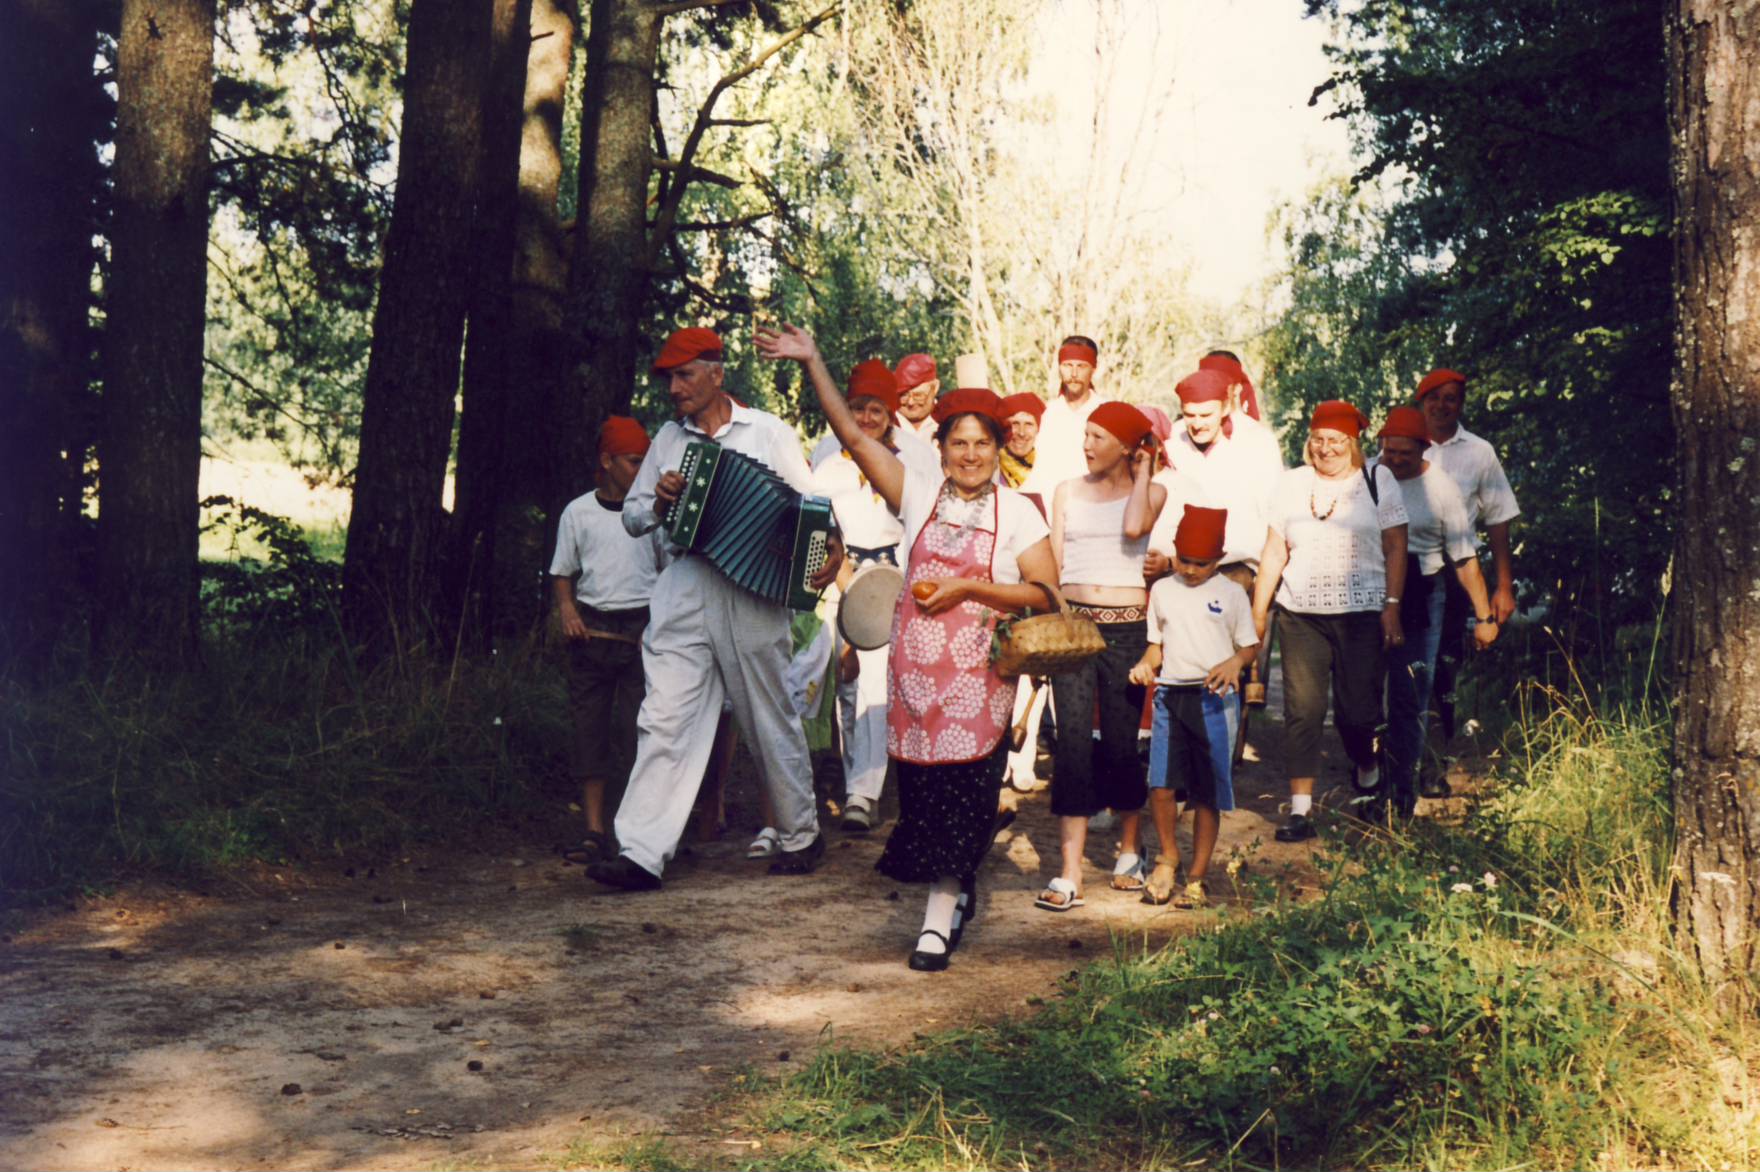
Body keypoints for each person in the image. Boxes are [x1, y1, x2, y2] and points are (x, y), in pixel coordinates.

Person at [757, 323, 1056, 971]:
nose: (970, 455)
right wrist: (813, 360)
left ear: (997, 448)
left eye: (982, 443)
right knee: (923, 802)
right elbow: (854, 437)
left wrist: (970, 587)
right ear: (940, 449)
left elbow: (1044, 595)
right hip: (916, 684)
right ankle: (957, 885)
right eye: (959, 443)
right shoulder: (918, 495)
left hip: (980, 680)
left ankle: (937, 917)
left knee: (966, 796)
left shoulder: (1021, 515)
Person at [587, 327, 843, 892]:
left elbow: (811, 505)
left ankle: (801, 834)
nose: (674, 388)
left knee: (767, 710)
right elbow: (631, 519)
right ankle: (641, 852)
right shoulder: (668, 442)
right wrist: (658, 501)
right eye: (668, 378)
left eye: (684, 375)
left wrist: (834, 544)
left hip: (752, 589)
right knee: (664, 716)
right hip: (684, 583)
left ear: (716, 373)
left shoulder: (768, 431)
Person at [1250, 400, 1409, 843]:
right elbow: (1274, 551)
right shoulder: (1291, 484)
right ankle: (1301, 809)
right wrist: (1258, 614)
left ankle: (1368, 769)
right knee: (1302, 711)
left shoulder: (1378, 480)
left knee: (1358, 714)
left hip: (1362, 613)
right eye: (1318, 440)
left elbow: (1396, 546)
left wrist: (1391, 604)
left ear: (1353, 443)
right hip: (1301, 614)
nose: (1325, 449)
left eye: (1336, 441)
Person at [1038, 402, 1166, 911]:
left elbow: (1135, 528)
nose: (1087, 445)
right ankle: (1069, 871)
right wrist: (1052, 622)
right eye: (1085, 435)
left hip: (1128, 630)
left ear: (1128, 446)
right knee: (1070, 741)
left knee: (1119, 743)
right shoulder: (1066, 490)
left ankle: (1130, 850)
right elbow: (1054, 562)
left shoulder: (1151, 491)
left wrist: (1146, 466)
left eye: (1099, 437)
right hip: (1075, 630)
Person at [808, 360, 940, 833]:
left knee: (876, 683)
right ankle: (852, 784)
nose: (864, 419)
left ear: (890, 412)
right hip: (838, 573)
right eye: (857, 408)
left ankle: (866, 791)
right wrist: (839, 575)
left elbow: (924, 521)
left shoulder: (918, 455)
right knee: (845, 682)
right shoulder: (826, 451)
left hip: (893, 576)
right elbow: (816, 517)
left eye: (875, 410)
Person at [550, 416, 667, 867]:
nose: (644, 470)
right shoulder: (578, 512)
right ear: (607, 460)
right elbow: (562, 574)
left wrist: (656, 630)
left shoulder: (653, 515)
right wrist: (568, 611)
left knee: (643, 734)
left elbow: (668, 576)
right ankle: (595, 832)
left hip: (642, 634)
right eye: (636, 461)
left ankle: (641, 834)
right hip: (593, 637)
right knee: (590, 733)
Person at [1130, 505, 1259, 907]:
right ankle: (1168, 857)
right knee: (1162, 785)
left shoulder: (1232, 593)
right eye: (1184, 560)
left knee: (1207, 791)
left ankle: (1198, 875)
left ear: (1218, 560)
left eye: (1201, 564)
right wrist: (1144, 665)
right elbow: (1157, 646)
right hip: (1170, 697)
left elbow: (1250, 647)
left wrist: (1234, 663)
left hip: (1214, 701)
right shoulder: (1163, 590)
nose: (1189, 570)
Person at [1375, 406, 1500, 816]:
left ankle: (1401, 796)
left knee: (1412, 694)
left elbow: (1464, 557)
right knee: (1367, 695)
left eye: (1403, 454)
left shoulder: (1441, 488)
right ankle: (1372, 778)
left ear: (1422, 450)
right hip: (1370, 586)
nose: (1394, 460)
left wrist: (1484, 616)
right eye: (1388, 451)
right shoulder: (1368, 478)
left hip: (1423, 590)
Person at [1148, 368, 1285, 704]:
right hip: (1178, 564)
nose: (1197, 423)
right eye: (1189, 414)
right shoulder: (1173, 445)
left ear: (1225, 407)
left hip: (1234, 567)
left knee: (1223, 648)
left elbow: (1270, 515)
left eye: (1206, 414)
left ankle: (1226, 738)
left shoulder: (1253, 448)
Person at [1415, 367, 1521, 793]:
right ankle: (1392, 759)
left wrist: (1503, 585)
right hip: (1404, 573)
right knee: (1401, 667)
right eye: (1434, 398)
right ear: (1420, 400)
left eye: (1452, 399)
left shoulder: (1479, 453)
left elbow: (1497, 522)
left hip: (1459, 575)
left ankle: (1433, 765)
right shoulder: (1403, 445)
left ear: (1461, 405)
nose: (1442, 406)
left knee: (1444, 671)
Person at [1023, 335, 1109, 496]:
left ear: (1093, 369)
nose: (1074, 373)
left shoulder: (1106, 412)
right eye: (1068, 365)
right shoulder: (1049, 413)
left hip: (1094, 503)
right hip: (1050, 504)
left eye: (1081, 366)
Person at [1198, 350, 1265, 423]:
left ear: (1236, 389)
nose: (1210, 390)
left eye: (1218, 383)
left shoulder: (1252, 431)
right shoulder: (1188, 427)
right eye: (1205, 382)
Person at [997, 392, 1045, 489]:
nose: (1021, 433)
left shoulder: (1046, 467)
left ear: (1038, 429)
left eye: (1029, 424)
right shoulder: (990, 472)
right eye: (1015, 423)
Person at [893, 353, 941, 442]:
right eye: (903, 395)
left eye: (918, 395)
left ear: (935, 387)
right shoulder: (885, 423)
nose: (910, 402)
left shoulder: (948, 422)